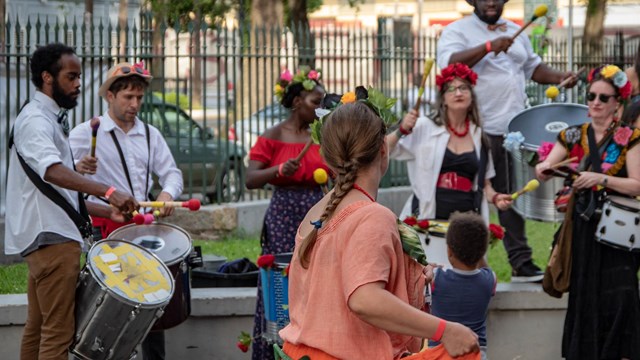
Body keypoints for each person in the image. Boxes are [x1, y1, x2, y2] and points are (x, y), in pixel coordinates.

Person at [279, 97, 480, 359]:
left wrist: (413, 278)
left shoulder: (316, 213)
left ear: (327, 159)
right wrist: (445, 330)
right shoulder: (372, 215)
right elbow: (364, 299)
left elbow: (336, 285)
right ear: (383, 149)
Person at [4, 43, 138, 360]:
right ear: (47, 78)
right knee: (58, 336)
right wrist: (107, 190)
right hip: (53, 241)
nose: (78, 83)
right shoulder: (36, 120)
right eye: (71, 76)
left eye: (78, 76)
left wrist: (107, 210)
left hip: (47, 236)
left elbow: (56, 193)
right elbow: (52, 172)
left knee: (37, 332)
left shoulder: (44, 118)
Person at [436, 0, 578, 282]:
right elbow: (449, 65)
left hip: (513, 130)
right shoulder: (458, 31)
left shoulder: (516, 31)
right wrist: (488, 47)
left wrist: (560, 76)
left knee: (510, 195)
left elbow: (534, 69)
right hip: (476, 129)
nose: (491, 2)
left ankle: (520, 262)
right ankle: (462, 262)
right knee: (475, 197)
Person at [69, 61, 183, 360]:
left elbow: (171, 172)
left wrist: (167, 194)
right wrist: (79, 168)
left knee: (152, 300)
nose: (135, 104)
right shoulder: (85, 133)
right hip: (105, 227)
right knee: (110, 305)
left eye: (139, 98)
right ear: (110, 96)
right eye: (127, 98)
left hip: (142, 227)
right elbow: (62, 179)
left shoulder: (149, 134)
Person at [535, 65, 640, 359]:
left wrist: (600, 178)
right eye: (591, 95)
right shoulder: (572, 134)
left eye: (603, 98)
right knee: (585, 294)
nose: (595, 102)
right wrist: (543, 169)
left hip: (619, 231)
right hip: (583, 226)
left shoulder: (631, 137)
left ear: (617, 103)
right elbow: (546, 166)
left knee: (621, 294)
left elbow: (636, 184)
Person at [245, 66, 330, 360]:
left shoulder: (321, 137)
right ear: (296, 102)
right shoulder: (272, 136)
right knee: (282, 280)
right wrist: (279, 170)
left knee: (315, 278)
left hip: (317, 210)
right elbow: (250, 178)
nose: (319, 109)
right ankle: (277, 350)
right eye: (314, 102)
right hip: (284, 213)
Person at [387, 63, 512, 226]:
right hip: (427, 219)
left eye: (463, 88)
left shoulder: (480, 137)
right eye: (451, 89)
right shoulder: (425, 127)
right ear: (443, 99)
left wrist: (495, 197)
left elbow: (485, 184)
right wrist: (401, 130)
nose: (458, 93)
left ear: (471, 96)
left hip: (466, 224)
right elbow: (386, 150)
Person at [428, 212, 496, 360]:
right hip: (476, 352)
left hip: (439, 351)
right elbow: (485, 268)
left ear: (449, 251)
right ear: (483, 252)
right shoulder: (489, 280)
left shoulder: (437, 278)